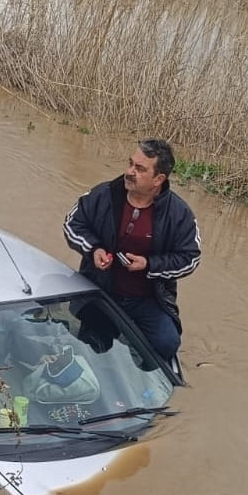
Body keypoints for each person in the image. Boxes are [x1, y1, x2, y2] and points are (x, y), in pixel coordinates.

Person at [63, 138, 201, 361]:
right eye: (130, 164)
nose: (129, 172)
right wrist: (94, 249)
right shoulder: (103, 194)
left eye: (139, 169)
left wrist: (149, 265)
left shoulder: (179, 214)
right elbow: (72, 224)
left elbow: (190, 258)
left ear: (158, 179)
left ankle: (132, 340)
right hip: (101, 290)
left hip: (146, 299)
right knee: (92, 350)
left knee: (166, 346)